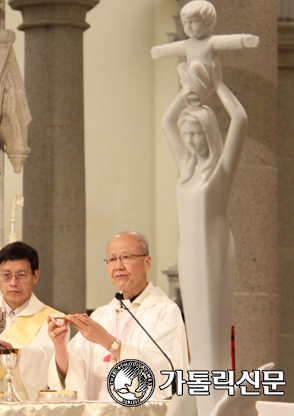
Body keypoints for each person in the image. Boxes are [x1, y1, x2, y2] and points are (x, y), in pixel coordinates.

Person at [161, 58, 247, 415]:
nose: (192, 140)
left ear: (210, 133)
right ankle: (199, 399)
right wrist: (188, 92)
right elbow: (167, 120)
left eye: (198, 133)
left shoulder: (220, 170)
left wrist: (218, 85)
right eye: (188, 134)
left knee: (213, 326)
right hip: (189, 253)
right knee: (195, 327)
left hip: (213, 251)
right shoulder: (186, 170)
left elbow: (240, 120)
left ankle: (218, 401)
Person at [48, 232, 188, 401]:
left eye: (126, 257)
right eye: (112, 259)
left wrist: (108, 342)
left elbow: (164, 372)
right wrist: (59, 345)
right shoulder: (101, 315)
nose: (118, 266)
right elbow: (72, 375)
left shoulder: (165, 311)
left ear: (147, 262)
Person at [0, 241, 68, 401]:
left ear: (35, 275)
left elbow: (49, 363)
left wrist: (16, 355)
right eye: (6, 275)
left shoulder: (54, 320)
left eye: (21, 275)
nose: (13, 283)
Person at [151, 1, 258, 105]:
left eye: (192, 22)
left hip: (207, 78)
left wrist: (244, 40)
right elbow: (171, 49)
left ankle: (192, 89)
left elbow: (229, 41)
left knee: (195, 65)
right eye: (185, 22)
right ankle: (189, 88)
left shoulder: (211, 41)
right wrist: (159, 51)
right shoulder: (187, 44)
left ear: (208, 22)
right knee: (182, 66)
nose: (188, 27)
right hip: (193, 80)